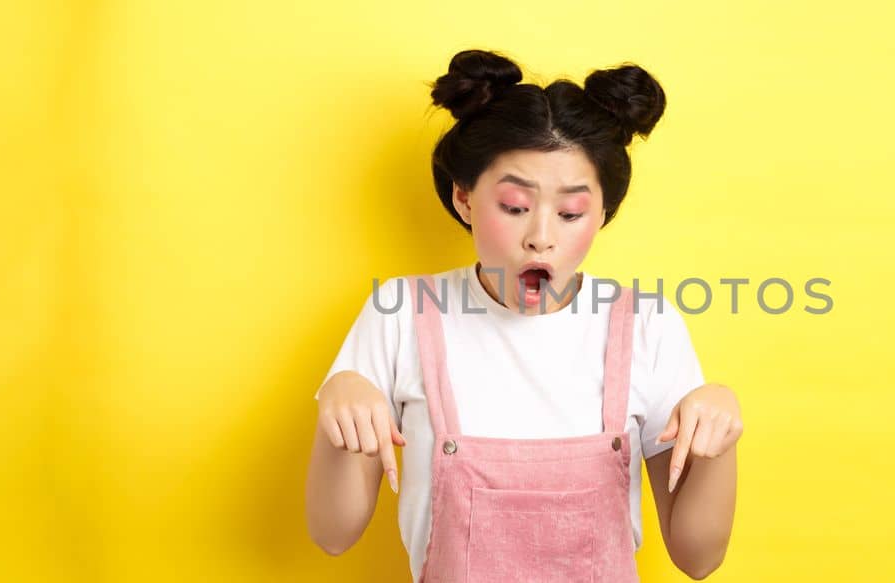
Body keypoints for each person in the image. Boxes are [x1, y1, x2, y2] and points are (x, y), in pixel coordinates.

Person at [305, 49, 742, 582]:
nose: (541, 235)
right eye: (514, 206)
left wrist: (719, 434)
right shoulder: (401, 314)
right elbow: (333, 532)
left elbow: (699, 558)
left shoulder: (648, 325)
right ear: (464, 199)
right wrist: (341, 397)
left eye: (571, 213)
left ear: (603, 212)